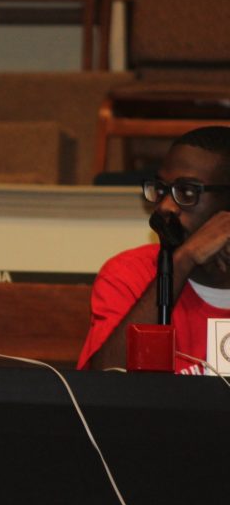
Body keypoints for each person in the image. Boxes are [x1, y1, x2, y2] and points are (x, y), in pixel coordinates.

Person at [80, 126, 230, 374]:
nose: (166, 207)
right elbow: (102, 384)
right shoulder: (129, 273)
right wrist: (182, 261)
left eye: (187, 192)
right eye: (162, 189)